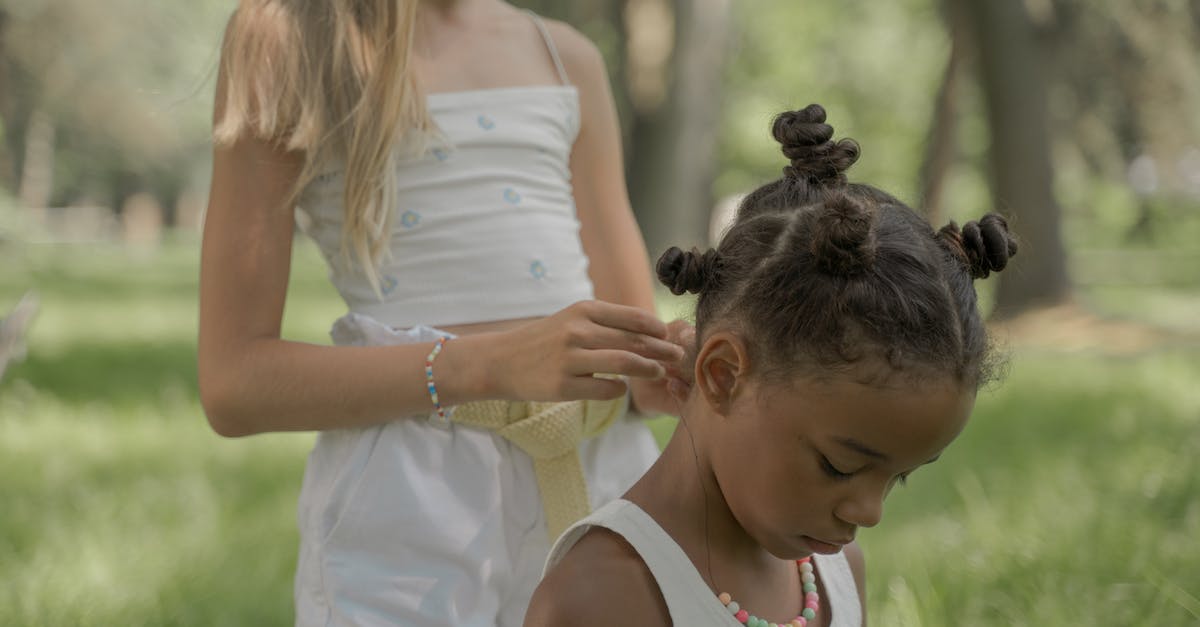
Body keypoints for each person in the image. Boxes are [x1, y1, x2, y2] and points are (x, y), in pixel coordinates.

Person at [198, 1, 688, 625]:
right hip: (410, 512)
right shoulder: (288, 35)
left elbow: (637, 369)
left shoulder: (567, 57)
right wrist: (487, 368)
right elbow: (233, 385)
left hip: (602, 481)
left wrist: (674, 370)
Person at [525, 104, 1019, 627]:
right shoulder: (606, 596)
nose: (869, 513)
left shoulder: (838, 575)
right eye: (840, 467)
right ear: (723, 376)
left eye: (898, 478)